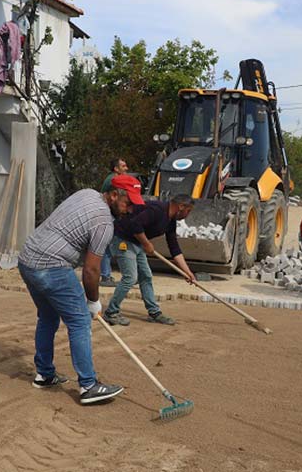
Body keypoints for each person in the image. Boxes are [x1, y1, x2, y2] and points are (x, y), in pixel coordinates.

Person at [17, 174, 144, 404]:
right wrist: (93, 301)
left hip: (28, 259)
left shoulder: (86, 193)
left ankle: (44, 374)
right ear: (114, 195)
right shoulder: (105, 222)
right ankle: (88, 386)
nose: (130, 210)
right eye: (128, 203)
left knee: (47, 317)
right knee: (79, 321)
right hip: (51, 266)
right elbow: (91, 270)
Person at [103, 194, 197, 326]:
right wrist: (146, 243)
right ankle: (111, 312)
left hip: (137, 242)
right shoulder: (157, 210)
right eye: (188, 211)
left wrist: (187, 272)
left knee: (146, 276)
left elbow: (174, 247)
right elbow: (135, 225)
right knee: (130, 277)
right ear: (181, 206)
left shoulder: (170, 222)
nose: (187, 215)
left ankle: (154, 313)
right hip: (122, 238)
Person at [98, 158, 129, 287]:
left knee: (110, 246)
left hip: (112, 215)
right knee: (107, 246)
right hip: (109, 215)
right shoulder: (114, 180)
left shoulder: (115, 178)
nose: (126, 168)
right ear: (116, 169)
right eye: (123, 166)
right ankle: (105, 276)